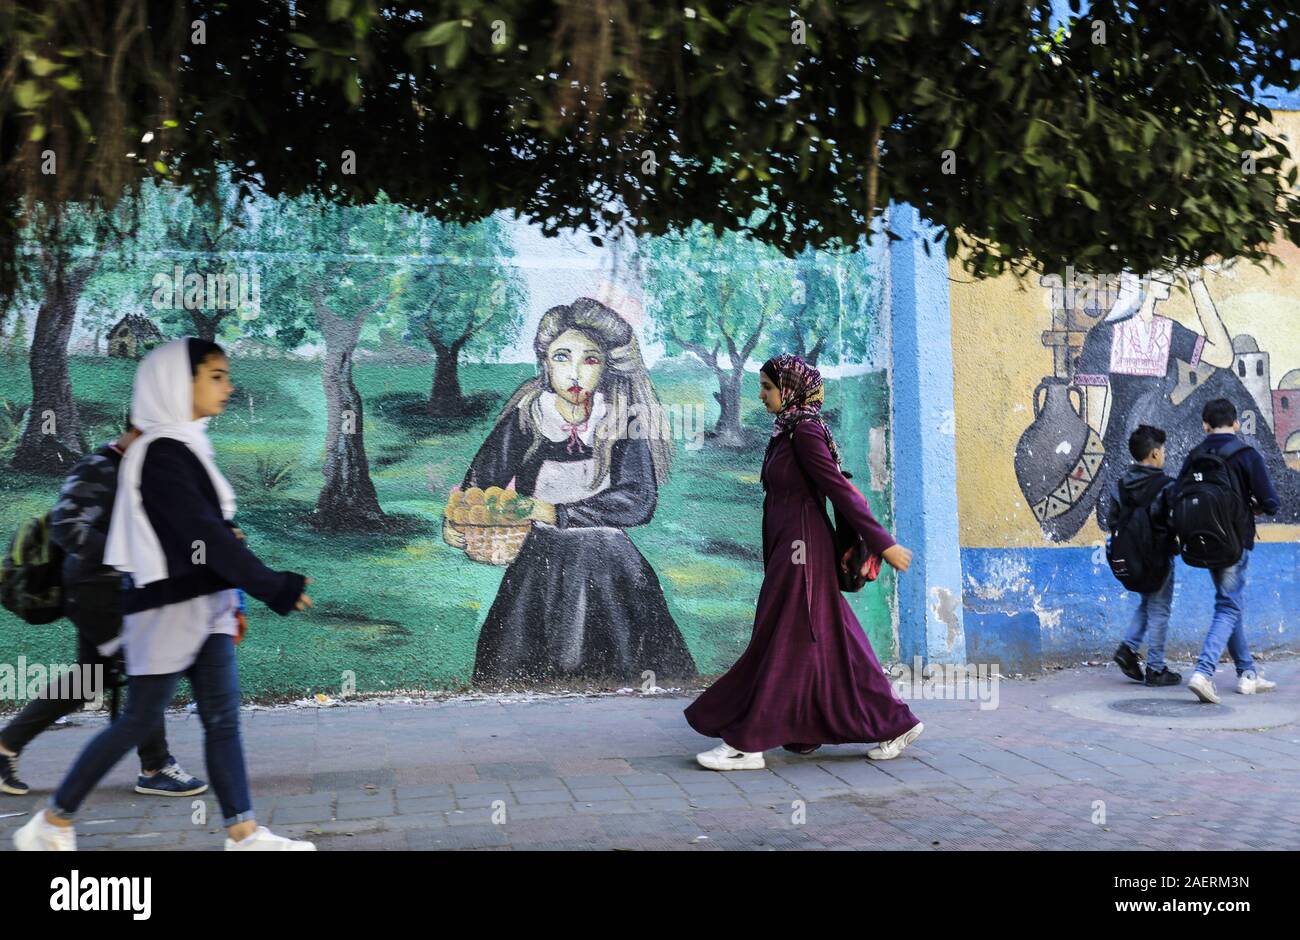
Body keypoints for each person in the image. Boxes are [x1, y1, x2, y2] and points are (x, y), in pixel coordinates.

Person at [13, 338, 315, 851]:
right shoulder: (160, 453)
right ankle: (52, 822)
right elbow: (203, 536)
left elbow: (210, 536)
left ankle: (244, 835)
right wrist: (270, 586)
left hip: (205, 604)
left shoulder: (186, 444)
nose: (228, 386)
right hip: (165, 608)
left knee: (221, 721)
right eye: (216, 376)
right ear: (179, 382)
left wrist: (236, 594)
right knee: (135, 720)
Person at [683, 353, 920, 771]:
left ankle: (748, 742)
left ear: (791, 390)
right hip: (790, 550)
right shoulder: (787, 431)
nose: (761, 396)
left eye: (768, 388)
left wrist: (883, 544)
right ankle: (873, 723)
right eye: (761, 387)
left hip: (802, 554)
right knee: (831, 639)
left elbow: (839, 489)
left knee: (781, 640)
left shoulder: (805, 432)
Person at [447, 297, 696, 685]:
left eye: (590, 360)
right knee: (516, 666)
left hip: (611, 568)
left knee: (622, 665)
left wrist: (554, 513)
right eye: (562, 357)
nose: (575, 373)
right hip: (539, 564)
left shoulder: (621, 419)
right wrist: (459, 522)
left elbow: (637, 501)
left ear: (607, 367)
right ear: (545, 362)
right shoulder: (528, 416)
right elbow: (480, 482)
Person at [1, 421, 207, 798]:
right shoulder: (99, 466)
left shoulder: (131, 468)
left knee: (89, 678)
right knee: (146, 668)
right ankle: (155, 765)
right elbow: (68, 527)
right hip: (96, 594)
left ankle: (4, 747)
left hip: (106, 591)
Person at [1179, 398, 1281, 704]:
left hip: (1202, 541)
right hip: (1234, 541)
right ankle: (1203, 672)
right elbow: (1271, 502)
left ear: (1205, 425)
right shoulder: (1246, 455)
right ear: (1236, 424)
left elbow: (1178, 493)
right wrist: (1255, 507)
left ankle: (1247, 674)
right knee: (1228, 606)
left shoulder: (1195, 455)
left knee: (1229, 604)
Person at [1109, 425, 1181, 687]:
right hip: (1159, 558)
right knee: (1160, 609)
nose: (1163, 455)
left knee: (1148, 603)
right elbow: (1174, 521)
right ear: (1153, 453)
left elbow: (1112, 521)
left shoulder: (1121, 485)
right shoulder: (1166, 486)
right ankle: (1156, 668)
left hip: (1134, 558)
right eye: (1162, 451)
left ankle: (1128, 649)